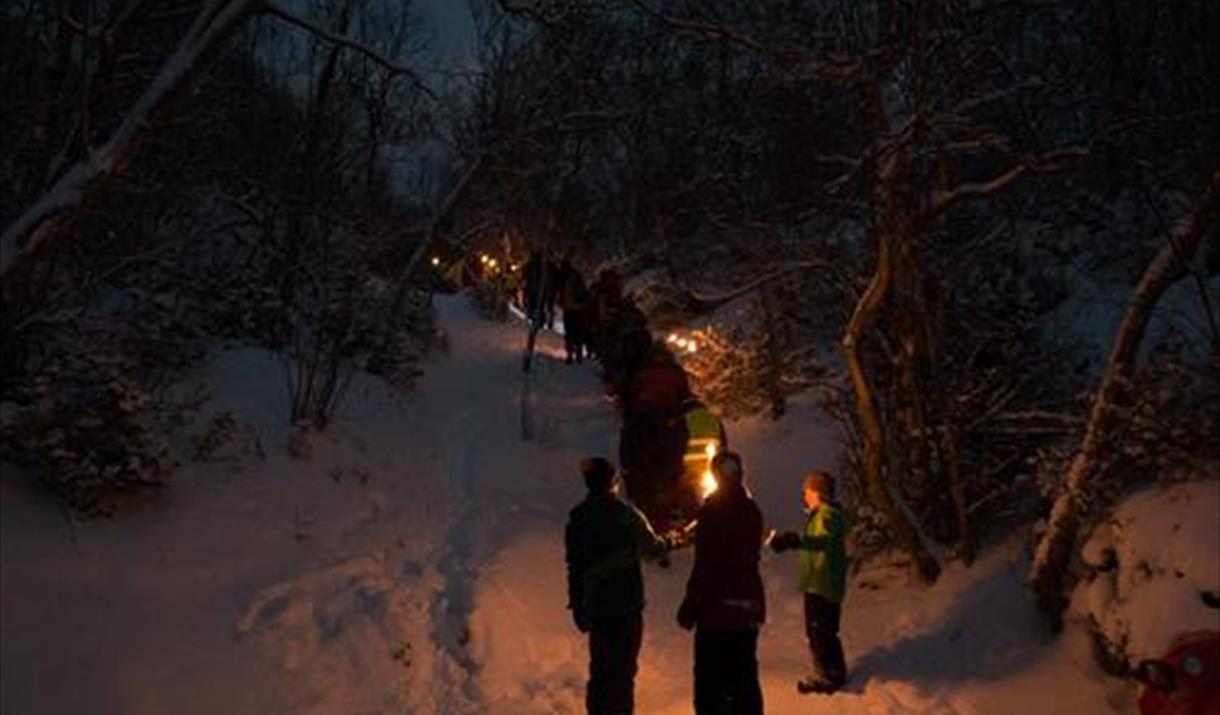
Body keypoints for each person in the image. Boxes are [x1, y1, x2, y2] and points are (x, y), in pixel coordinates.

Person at [566, 457, 672, 715]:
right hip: (626, 608)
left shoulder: (577, 519)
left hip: (597, 610)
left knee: (601, 673)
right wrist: (670, 541)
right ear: (612, 483)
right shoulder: (626, 514)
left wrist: (578, 604)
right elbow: (653, 549)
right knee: (622, 677)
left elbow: (574, 566)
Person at [677, 451, 766, 715]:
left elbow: (707, 565)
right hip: (748, 606)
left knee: (711, 679)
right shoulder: (751, 510)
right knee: (744, 675)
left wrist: (691, 606)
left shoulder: (712, 512)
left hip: (716, 611)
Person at [770, 470, 849, 694]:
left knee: (821, 630)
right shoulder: (820, 515)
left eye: (807, 491)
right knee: (818, 630)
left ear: (817, 493)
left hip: (823, 584)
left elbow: (820, 541)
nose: (804, 496)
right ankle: (826, 671)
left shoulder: (827, 516)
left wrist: (795, 540)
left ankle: (830, 674)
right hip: (819, 583)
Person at [556, 257, 590, 364]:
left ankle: (574, 353)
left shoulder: (569, 278)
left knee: (572, 332)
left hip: (574, 309)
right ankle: (573, 353)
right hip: (573, 308)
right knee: (573, 332)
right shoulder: (568, 278)